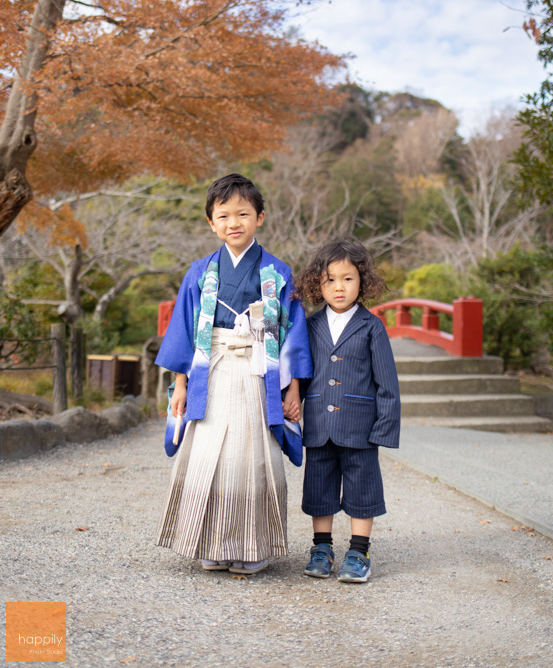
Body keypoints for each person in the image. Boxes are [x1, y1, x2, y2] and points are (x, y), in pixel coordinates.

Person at [155, 173, 312, 575]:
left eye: (243, 213)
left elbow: (293, 333)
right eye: (223, 215)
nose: (234, 222)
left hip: (261, 374)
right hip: (213, 368)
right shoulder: (199, 272)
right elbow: (184, 332)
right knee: (209, 452)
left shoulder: (278, 273)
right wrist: (180, 384)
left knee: (251, 455)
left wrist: (294, 388)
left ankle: (251, 547)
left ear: (260, 217)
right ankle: (209, 542)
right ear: (211, 223)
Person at [294, 238, 400, 583]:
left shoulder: (372, 326)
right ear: (317, 284)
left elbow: (387, 383)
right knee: (319, 487)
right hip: (319, 424)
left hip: (360, 426)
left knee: (362, 488)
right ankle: (321, 548)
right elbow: (302, 376)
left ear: (363, 281)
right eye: (329, 280)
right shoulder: (310, 327)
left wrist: (384, 429)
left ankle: (359, 551)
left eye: (347, 279)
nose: (338, 287)